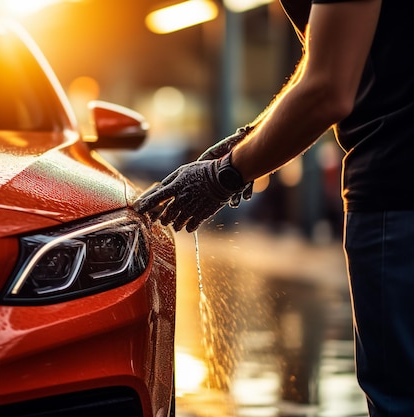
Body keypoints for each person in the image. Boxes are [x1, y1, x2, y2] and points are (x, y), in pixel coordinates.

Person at [133, 1, 414, 415]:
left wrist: (225, 174)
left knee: (401, 396)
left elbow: (328, 89)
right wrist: (249, 139)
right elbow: (328, 58)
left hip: (399, 187)